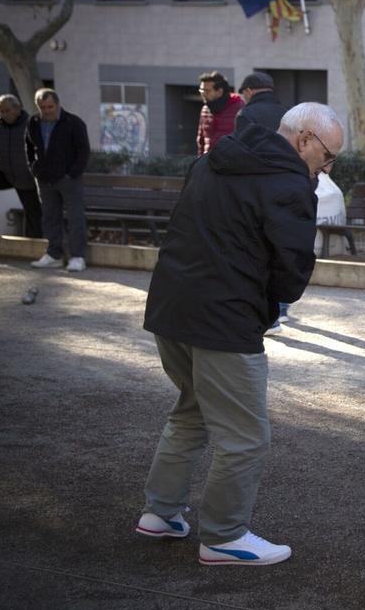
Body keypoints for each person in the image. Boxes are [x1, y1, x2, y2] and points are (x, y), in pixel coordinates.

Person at [136, 102, 343, 566]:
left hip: (172, 306)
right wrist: (266, 309)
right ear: (305, 140)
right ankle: (225, 535)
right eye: (328, 156)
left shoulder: (212, 160)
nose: (327, 168)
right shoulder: (290, 184)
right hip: (225, 320)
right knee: (246, 435)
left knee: (190, 411)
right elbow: (291, 272)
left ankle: (160, 512)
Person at [234, 71, 294, 335]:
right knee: (283, 249)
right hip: (290, 190)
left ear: (249, 92)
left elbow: (241, 157)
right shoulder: (289, 114)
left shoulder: (247, 116)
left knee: (260, 251)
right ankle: (281, 309)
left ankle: (270, 316)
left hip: (258, 193)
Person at [25, 88, 90, 272]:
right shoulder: (33, 122)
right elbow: (29, 146)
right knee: (50, 217)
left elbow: (83, 151)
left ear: (57, 104)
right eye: (43, 107)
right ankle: (54, 254)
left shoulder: (73, 122)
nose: (47, 111)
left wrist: (72, 173)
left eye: (50, 106)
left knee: (75, 217)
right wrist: (34, 167)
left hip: (68, 178)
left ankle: (77, 257)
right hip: (44, 178)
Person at [0, 94, 42, 237]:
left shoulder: (31, 124)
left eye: (7, 110)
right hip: (6, 174)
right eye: (1, 111)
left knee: (33, 214)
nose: (4, 114)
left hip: (27, 177)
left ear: (18, 108)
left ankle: (36, 247)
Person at [196, 71, 244, 156]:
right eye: (201, 91)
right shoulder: (205, 109)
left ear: (219, 91)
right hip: (208, 161)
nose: (203, 95)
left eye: (207, 91)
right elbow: (201, 140)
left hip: (231, 162)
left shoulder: (239, 109)